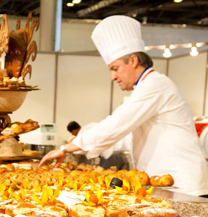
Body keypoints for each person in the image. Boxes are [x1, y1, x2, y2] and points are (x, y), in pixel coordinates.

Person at [40, 15, 208, 196]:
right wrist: (78, 145)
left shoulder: (156, 85)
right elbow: (124, 138)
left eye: (115, 68)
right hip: (168, 185)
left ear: (133, 61)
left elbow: (116, 124)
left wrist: (67, 148)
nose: (113, 77)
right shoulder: (146, 88)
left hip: (185, 185)